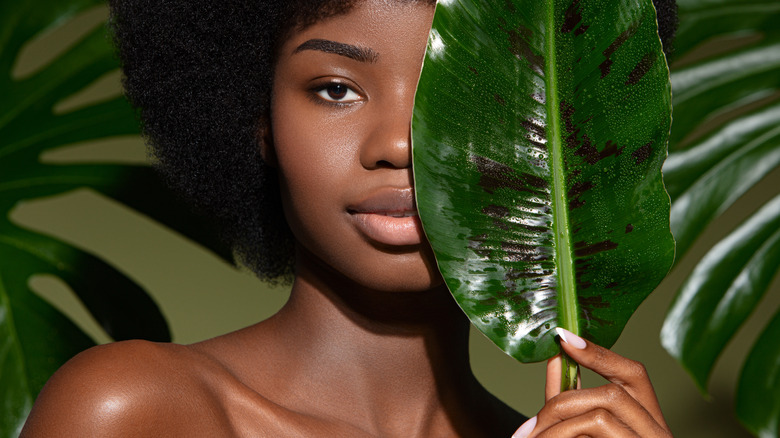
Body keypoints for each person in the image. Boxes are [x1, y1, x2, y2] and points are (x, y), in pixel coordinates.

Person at [21, 0, 678, 436]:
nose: (395, 143)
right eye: (335, 89)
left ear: (545, 137)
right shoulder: (138, 413)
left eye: (454, 95)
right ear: (259, 121)